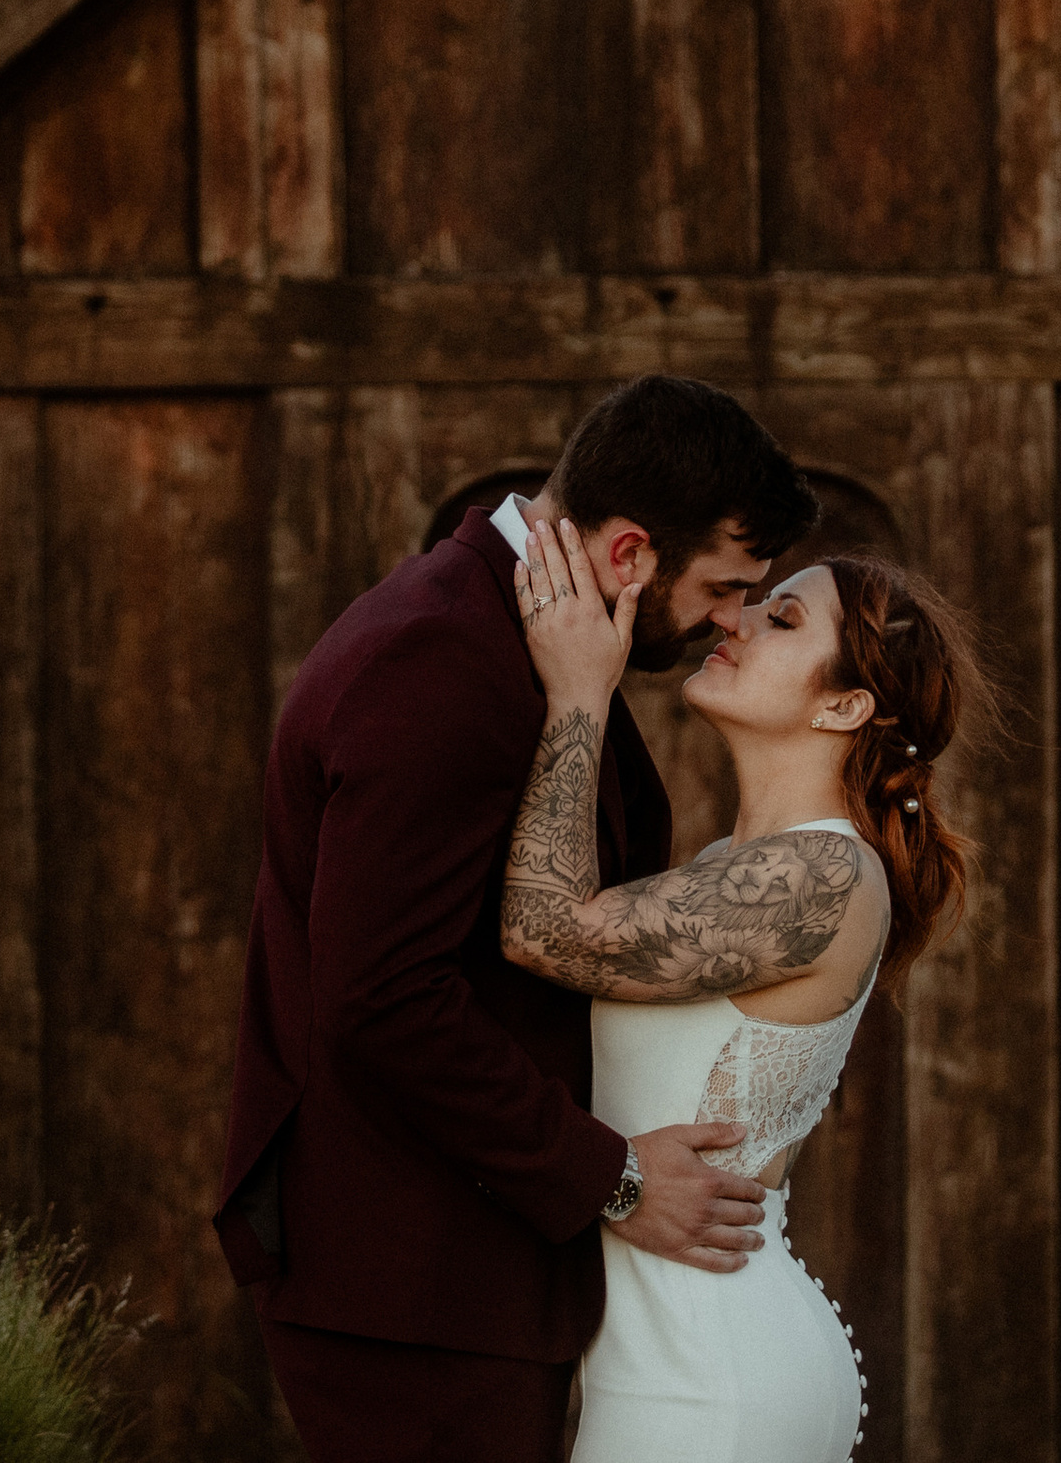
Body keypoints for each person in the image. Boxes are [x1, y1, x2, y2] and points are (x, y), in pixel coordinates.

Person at [213, 374, 821, 1463]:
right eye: (730, 586)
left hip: (467, 1269)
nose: (731, 621)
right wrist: (611, 1177)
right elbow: (380, 996)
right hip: (410, 1277)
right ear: (631, 552)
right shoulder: (441, 660)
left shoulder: (506, 636)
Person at [501, 515, 985, 1463]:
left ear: (845, 709)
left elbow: (541, 927)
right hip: (669, 1363)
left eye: (784, 620)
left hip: (706, 1383)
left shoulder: (823, 879)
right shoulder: (740, 865)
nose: (739, 621)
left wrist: (577, 692)